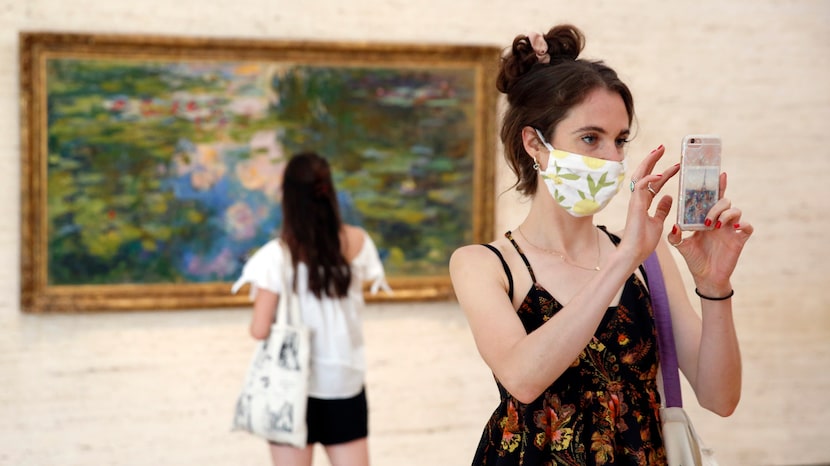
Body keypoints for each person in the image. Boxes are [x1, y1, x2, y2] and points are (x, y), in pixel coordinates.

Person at [449, 25, 753, 465]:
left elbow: (720, 398)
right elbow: (524, 378)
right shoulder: (483, 264)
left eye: (620, 140)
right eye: (591, 138)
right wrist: (625, 257)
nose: (613, 159)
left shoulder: (647, 253)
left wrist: (714, 286)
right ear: (535, 143)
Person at [232, 151, 388, 466]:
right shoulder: (358, 242)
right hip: (344, 383)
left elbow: (260, 329)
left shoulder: (276, 256)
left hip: (291, 388)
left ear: (288, 196)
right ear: (328, 190)